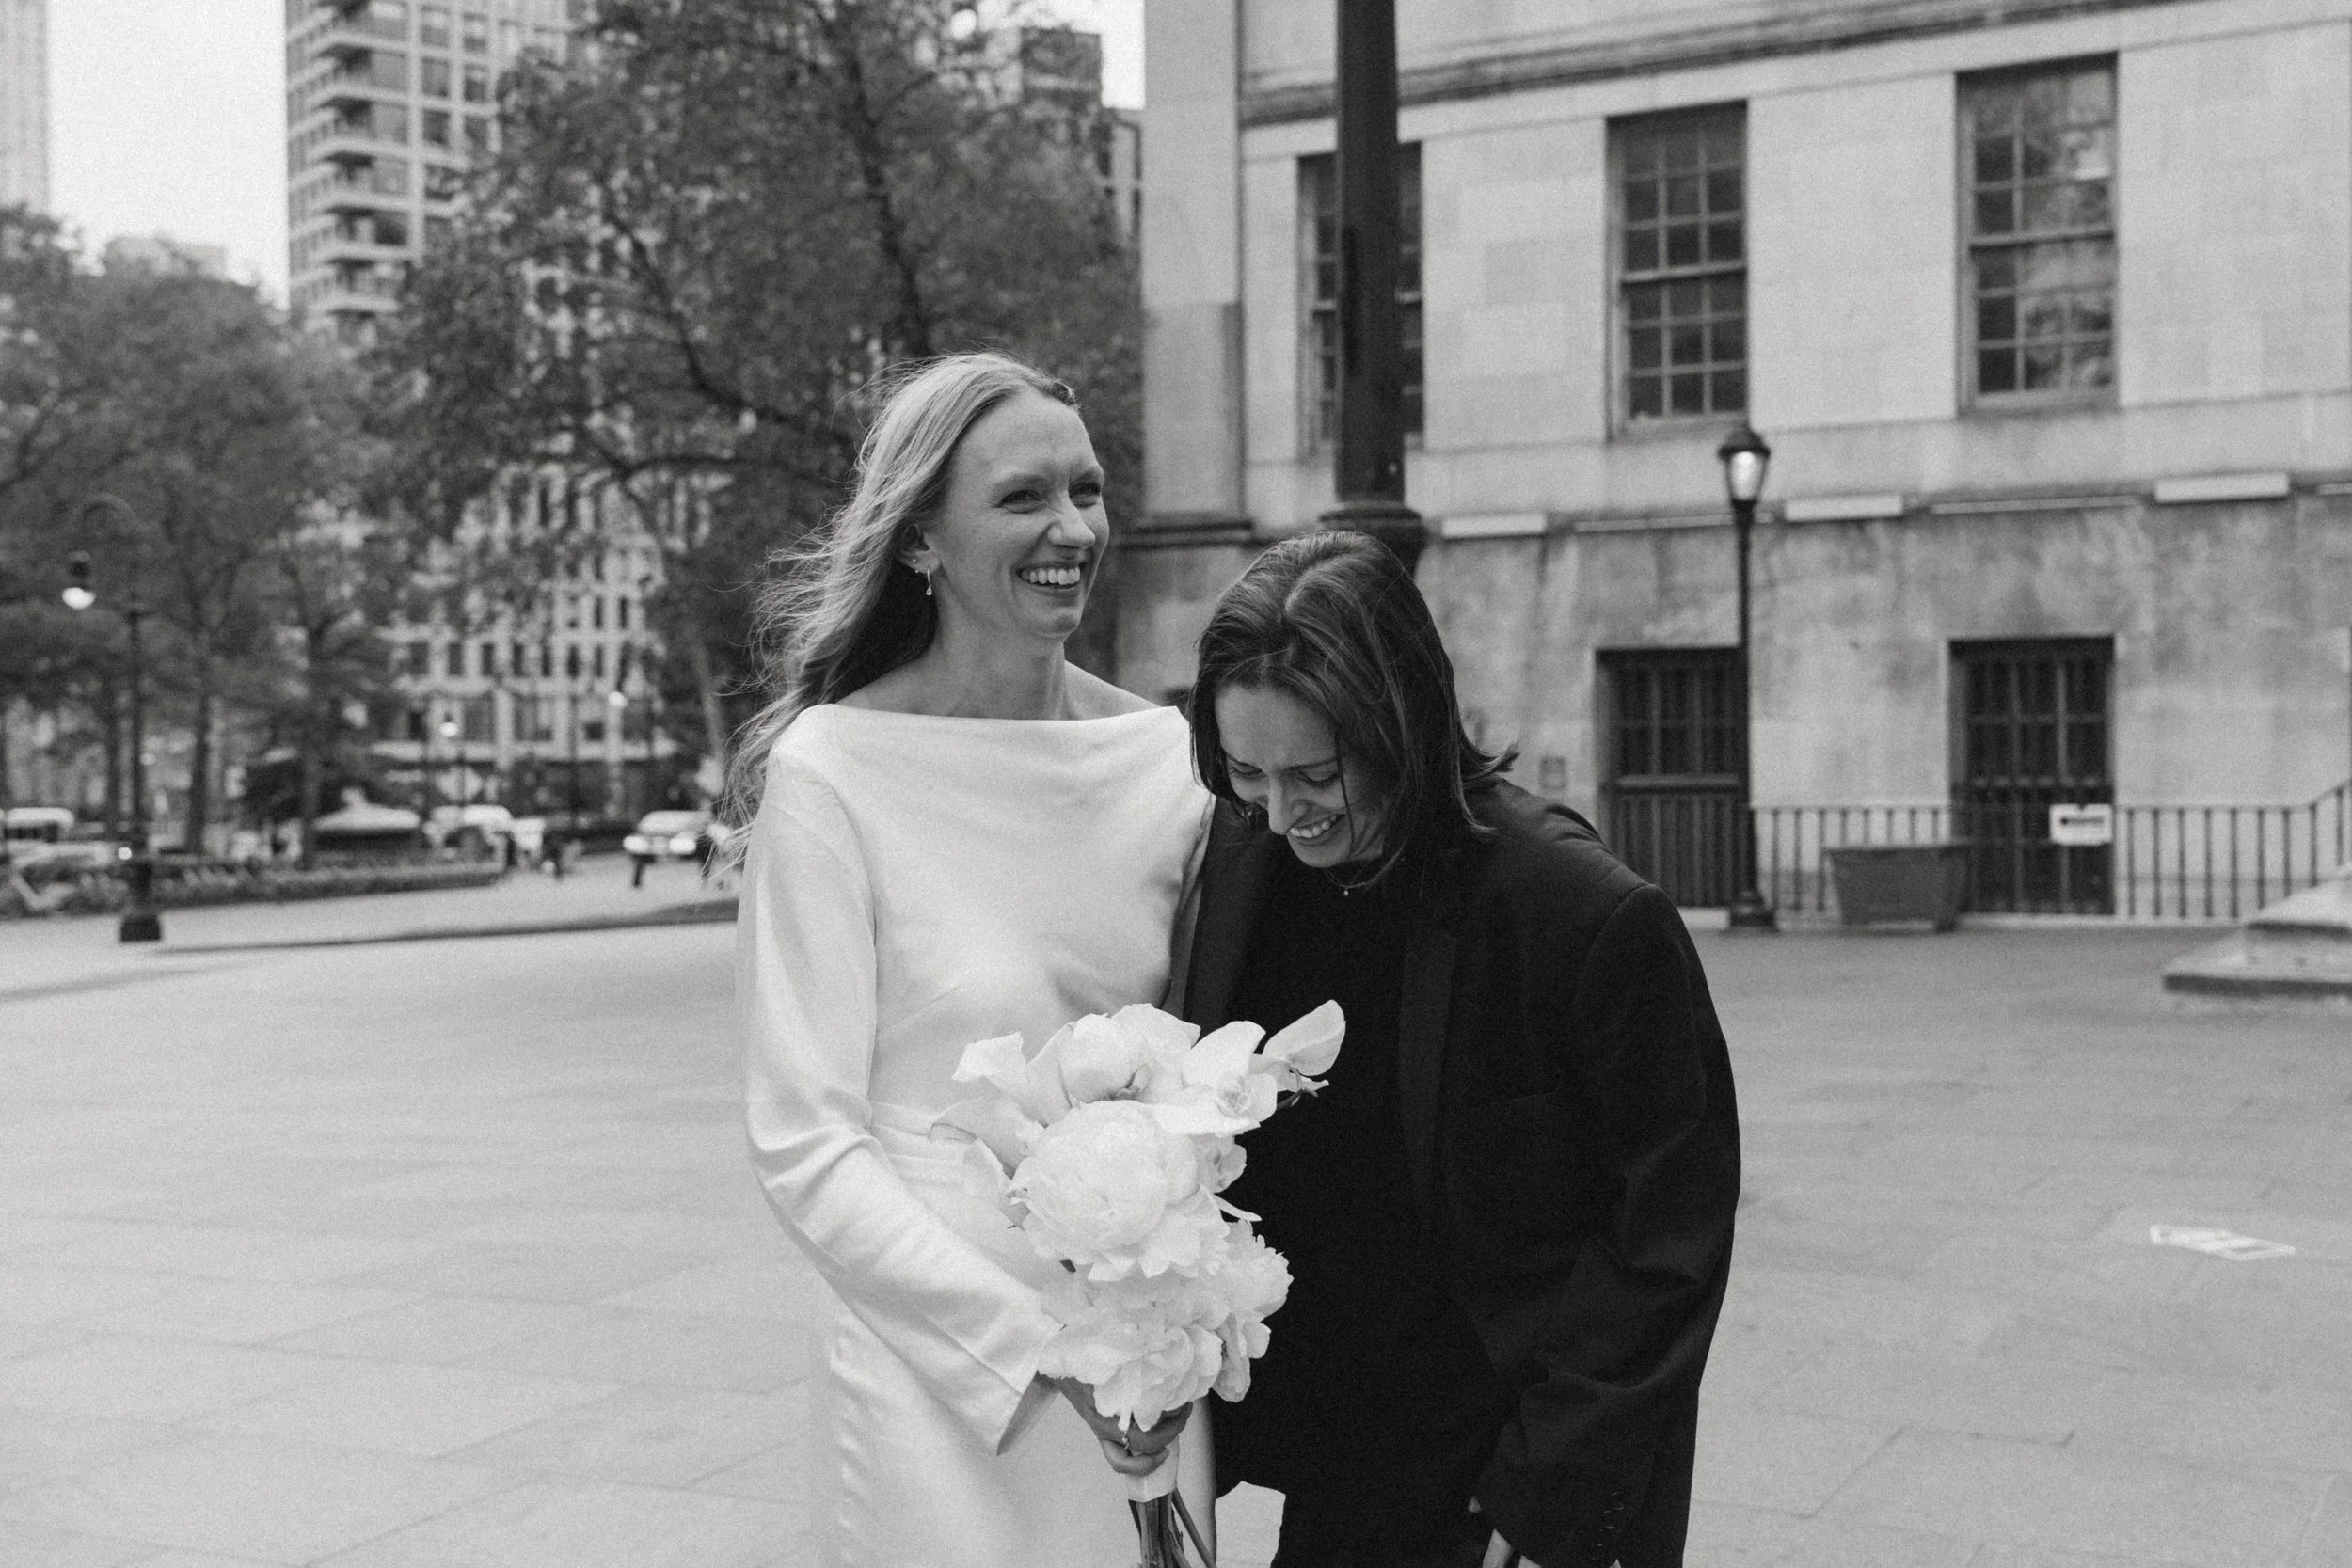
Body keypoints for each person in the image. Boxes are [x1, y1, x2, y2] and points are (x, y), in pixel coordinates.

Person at [733, 352, 1216, 1566]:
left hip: (1140, 1342)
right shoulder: (830, 771)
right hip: (927, 1357)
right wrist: (1033, 1349)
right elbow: (803, 1139)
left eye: (1087, 489)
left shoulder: (1168, 760)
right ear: (920, 541)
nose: (1073, 528)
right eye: (1022, 497)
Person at [1178, 531, 1740, 1568]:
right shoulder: (1248, 864)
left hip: (1503, 1480)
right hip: (1341, 1467)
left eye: (1315, 775)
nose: (1282, 814)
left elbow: (1667, 1237)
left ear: (1402, 722)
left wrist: (1545, 1497)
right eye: (1246, 772)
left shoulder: (1581, 912)